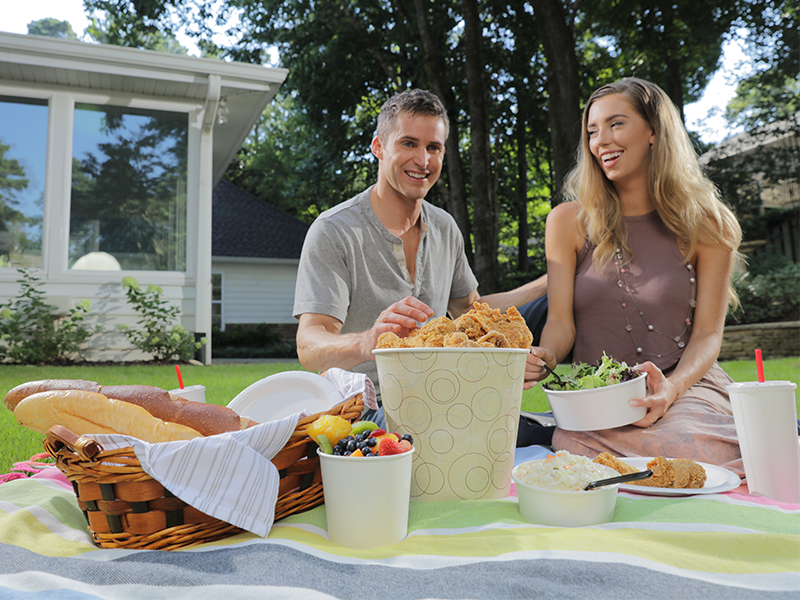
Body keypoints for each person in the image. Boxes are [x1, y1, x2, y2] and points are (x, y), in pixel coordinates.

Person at [525, 77, 745, 475]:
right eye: (592, 131)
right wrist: (546, 356)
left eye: (616, 124)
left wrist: (671, 389)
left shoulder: (709, 225)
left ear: (653, 132)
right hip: (599, 401)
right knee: (575, 448)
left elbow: (708, 336)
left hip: (687, 390)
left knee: (691, 449)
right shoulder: (567, 222)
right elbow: (559, 321)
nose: (601, 140)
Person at [293, 88, 547, 430]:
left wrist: (553, 282)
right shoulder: (334, 230)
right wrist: (369, 340)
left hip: (443, 397)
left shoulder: (444, 227)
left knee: (551, 430)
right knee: (454, 435)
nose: (423, 160)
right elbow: (309, 344)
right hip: (365, 408)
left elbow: (474, 312)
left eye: (434, 148)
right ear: (379, 147)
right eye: (408, 143)